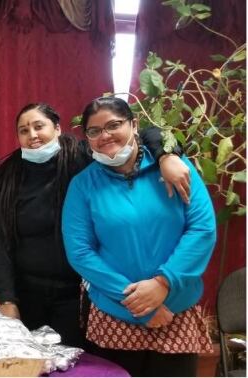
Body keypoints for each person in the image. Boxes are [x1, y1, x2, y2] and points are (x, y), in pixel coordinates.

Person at [0, 103, 193, 348]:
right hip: (27, 294)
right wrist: (6, 300)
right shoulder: (6, 176)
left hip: (83, 295)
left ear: (58, 128)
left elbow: (148, 134)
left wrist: (167, 156)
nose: (32, 135)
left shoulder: (82, 156)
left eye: (39, 126)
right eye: (23, 130)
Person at [62, 97, 215, 376]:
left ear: (134, 125)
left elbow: (202, 230)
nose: (105, 135)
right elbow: (80, 252)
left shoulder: (176, 168)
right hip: (115, 312)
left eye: (113, 125)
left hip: (175, 310)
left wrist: (163, 283)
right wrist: (137, 302)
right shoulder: (83, 185)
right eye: (94, 131)